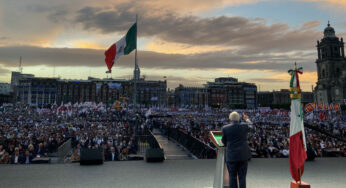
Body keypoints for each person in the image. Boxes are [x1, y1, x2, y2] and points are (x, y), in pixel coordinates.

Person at [222, 112, 252, 188]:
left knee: (232, 177)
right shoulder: (244, 126)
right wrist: (247, 119)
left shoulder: (225, 128)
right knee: (242, 177)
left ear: (230, 119)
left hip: (231, 156)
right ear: (239, 118)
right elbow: (251, 126)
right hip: (243, 155)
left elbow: (223, 141)